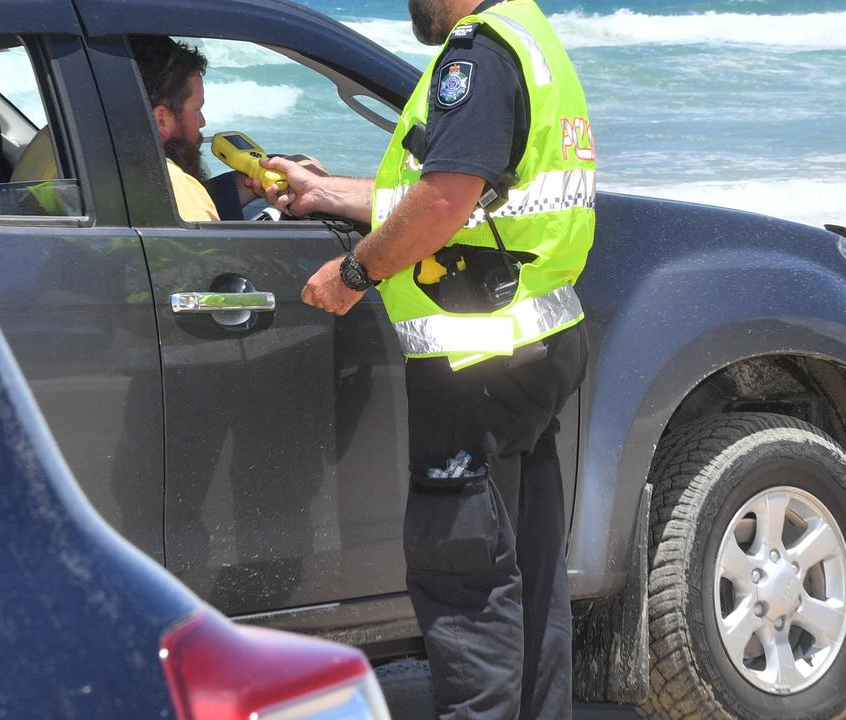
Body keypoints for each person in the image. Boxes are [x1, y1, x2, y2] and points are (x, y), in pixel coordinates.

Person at [250, 1, 596, 718]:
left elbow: (444, 200)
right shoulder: (529, 38)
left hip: (477, 364)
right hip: (528, 348)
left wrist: (354, 274)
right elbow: (461, 193)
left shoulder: (475, 55)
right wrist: (326, 194)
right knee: (527, 582)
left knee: (466, 583)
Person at [129, 36, 263, 222]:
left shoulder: (113, 171)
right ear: (161, 120)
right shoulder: (177, 189)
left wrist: (252, 184)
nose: (202, 121)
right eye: (197, 110)